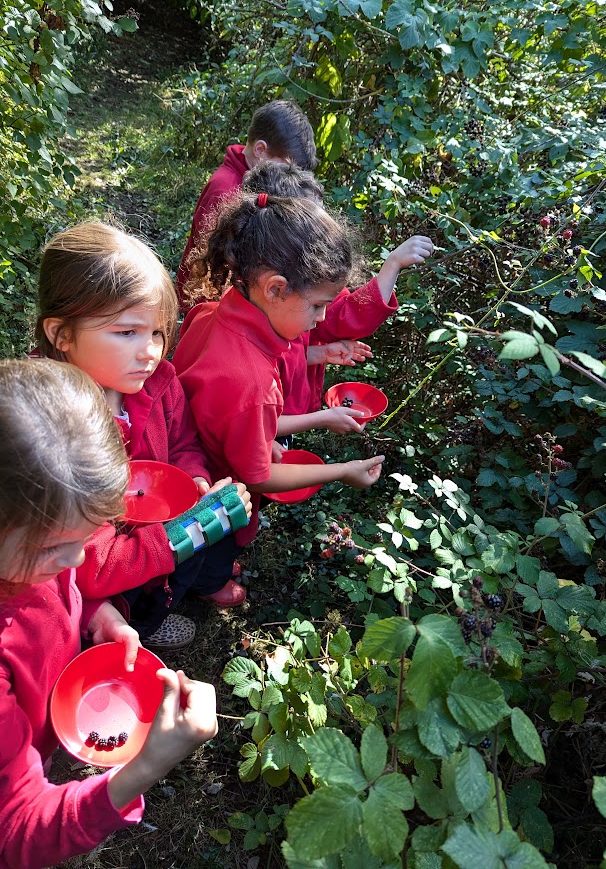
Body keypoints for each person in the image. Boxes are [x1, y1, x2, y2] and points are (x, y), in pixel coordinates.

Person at [0, 358, 218, 869]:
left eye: (86, 538)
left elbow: (63, 581)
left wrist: (97, 611)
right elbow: (14, 831)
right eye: (57, 548)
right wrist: (145, 767)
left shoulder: (28, 545)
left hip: (31, 732)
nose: (77, 561)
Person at [35, 222, 253, 651]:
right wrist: (192, 526)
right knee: (127, 598)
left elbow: (185, 444)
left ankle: (156, 612)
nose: (150, 351)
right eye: (126, 332)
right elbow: (92, 566)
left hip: (159, 535)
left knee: (171, 575)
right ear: (61, 334)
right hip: (102, 570)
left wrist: (195, 481)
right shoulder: (52, 432)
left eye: (156, 331)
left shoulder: (159, 382)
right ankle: (136, 626)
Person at [172, 193, 386, 548]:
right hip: (209, 496)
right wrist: (343, 471)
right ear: (275, 288)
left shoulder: (212, 312)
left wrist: (313, 419)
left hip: (188, 456)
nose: (320, 319)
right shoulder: (253, 382)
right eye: (318, 305)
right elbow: (258, 477)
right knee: (210, 559)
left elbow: (226, 416)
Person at [241, 161, 434, 439]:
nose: (320, 315)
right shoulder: (248, 324)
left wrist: (320, 353)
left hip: (284, 418)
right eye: (314, 231)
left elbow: (339, 317)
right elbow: (255, 422)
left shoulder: (294, 291)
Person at [176, 99, 318, 310]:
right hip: (208, 307)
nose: (289, 177)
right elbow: (213, 268)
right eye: (285, 168)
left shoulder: (251, 182)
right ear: (260, 149)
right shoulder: (226, 190)